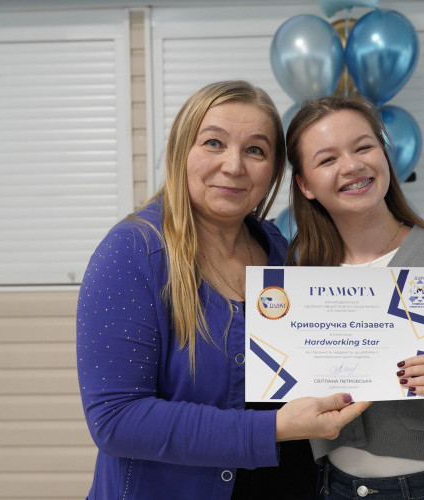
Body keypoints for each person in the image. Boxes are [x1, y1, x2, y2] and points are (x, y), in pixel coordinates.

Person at [76, 81, 370, 500]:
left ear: (273, 170)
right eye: (214, 143)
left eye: (255, 150)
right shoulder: (132, 252)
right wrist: (273, 428)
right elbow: (116, 420)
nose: (234, 166)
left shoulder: (277, 249)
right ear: (181, 150)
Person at [285, 95, 424, 500]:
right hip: (334, 488)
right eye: (327, 159)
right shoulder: (297, 282)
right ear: (305, 185)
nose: (352, 165)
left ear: (385, 155)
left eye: (364, 147)